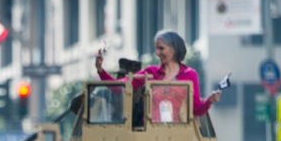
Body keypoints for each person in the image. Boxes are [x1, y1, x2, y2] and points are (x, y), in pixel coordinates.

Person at [93, 30, 222, 116]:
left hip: (178, 134)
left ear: (174, 49)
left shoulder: (190, 74)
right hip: (151, 133)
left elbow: (196, 109)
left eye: (161, 48)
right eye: (156, 49)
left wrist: (209, 101)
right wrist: (100, 70)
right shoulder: (150, 72)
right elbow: (118, 87)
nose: (157, 53)